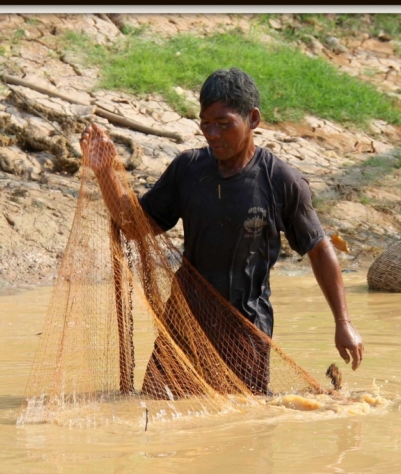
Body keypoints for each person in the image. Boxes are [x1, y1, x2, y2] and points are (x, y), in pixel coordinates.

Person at [80, 67, 363, 393]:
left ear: (253, 119)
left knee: (242, 422)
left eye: (224, 124)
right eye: (205, 123)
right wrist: (105, 173)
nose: (212, 134)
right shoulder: (188, 170)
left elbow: (319, 248)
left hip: (244, 329)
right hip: (184, 320)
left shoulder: (280, 181)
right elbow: (133, 227)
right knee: (157, 406)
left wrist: (344, 323)